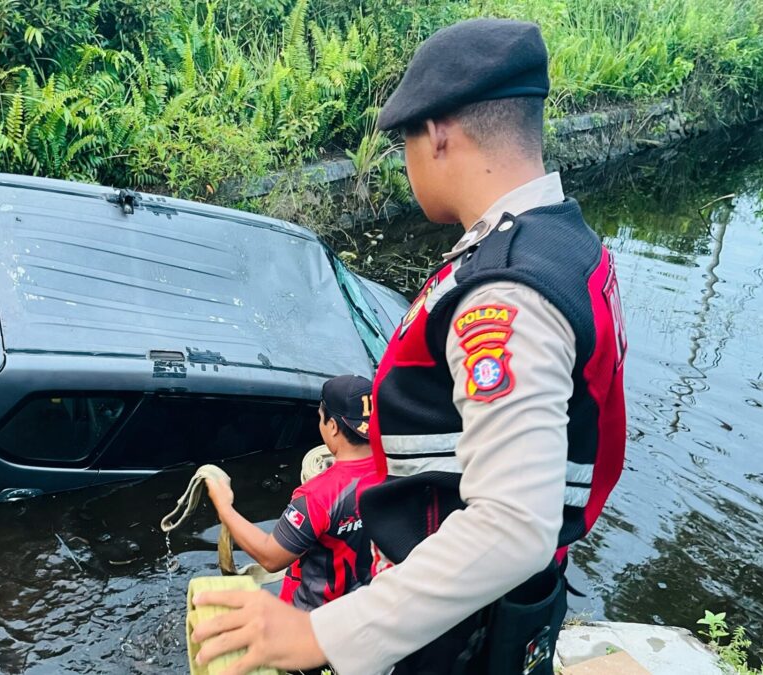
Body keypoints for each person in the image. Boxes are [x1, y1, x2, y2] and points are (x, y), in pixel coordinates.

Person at [191, 18, 628, 675]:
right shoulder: (564, 244)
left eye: (405, 144)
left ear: (439, 134)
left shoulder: (504, 294)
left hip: (460, 630)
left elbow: (513, 524)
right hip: (501, 608)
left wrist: (322, 634)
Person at [204, 375, 379, 611]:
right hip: (368, 611)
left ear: (333, 426)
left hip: (312, 622)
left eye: (320, 418)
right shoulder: (400, 472)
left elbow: (271, 557)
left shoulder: (318, 496)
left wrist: (224, 507)